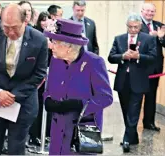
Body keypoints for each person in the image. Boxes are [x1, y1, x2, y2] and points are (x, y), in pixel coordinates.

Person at [0, 4, 48, 155]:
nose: (10, 32)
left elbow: (39, 73)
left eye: (14, 27)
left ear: (25, 22)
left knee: (16, 149)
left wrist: (14, 95)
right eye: (6, 27)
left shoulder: (39, 39)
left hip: (23, 103)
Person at [43, 19, 113, 155]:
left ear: (68, 47)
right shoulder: (55, 61)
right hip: (58, 132)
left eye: (55, 43)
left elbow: (106, 97)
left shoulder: (94, 62)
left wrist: (79, 104)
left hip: (81, 132)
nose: (51, 46)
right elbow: (48, 90)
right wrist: (47, 100)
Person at [108, 13, 157, 153]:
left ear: (140, 26)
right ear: (127, 26)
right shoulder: (119, 39)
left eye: (136, 27)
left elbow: (153, 57)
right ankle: (133, 135)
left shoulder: (148, 39)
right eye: (130, 27)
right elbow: (111, 57)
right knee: (125, 110)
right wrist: (123, 56)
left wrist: (139, 56)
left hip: (139, 80)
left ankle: (126, 139)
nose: (133, 30)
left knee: (134, 110)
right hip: (123, 80)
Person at [140, 3, 165, 131]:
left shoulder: (159, 25)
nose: (150, 13)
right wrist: (152, 36)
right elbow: (136, 41)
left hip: (156, 67)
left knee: (152, 95)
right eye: (147, 11)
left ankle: (149, 122)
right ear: (142, 11)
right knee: (138, 96)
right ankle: (132, 125)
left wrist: (161, 38)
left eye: (152, 11)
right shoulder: (136, 23)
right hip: (141, 67)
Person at [28, 11, 51, 146]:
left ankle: (45, 134)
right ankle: (33, 135)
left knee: (45, 107)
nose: (45, 22)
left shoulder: (52, 35)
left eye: (47, 19)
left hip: (49, 76)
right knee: (35, 107)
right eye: (42, 20)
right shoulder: (36, 34)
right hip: (37, 77)